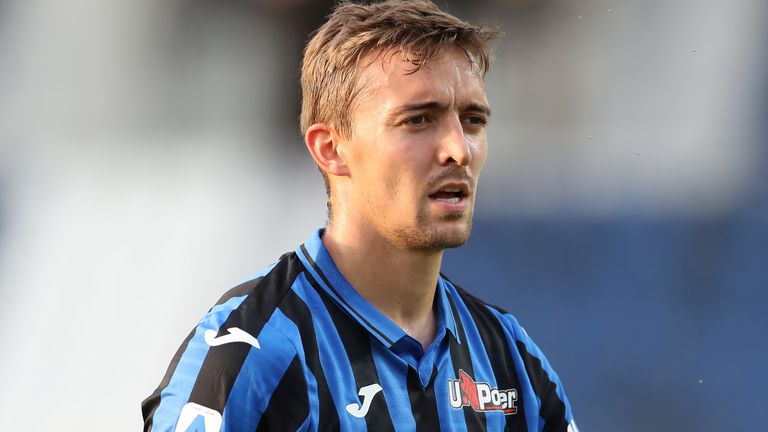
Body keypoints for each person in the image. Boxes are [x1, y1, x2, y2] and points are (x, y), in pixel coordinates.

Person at [142, 1, 578, 430]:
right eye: (418, 120)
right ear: (331, 150)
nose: (458, 149)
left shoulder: (509, 358)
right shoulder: (249, 354)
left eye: (473, 120)